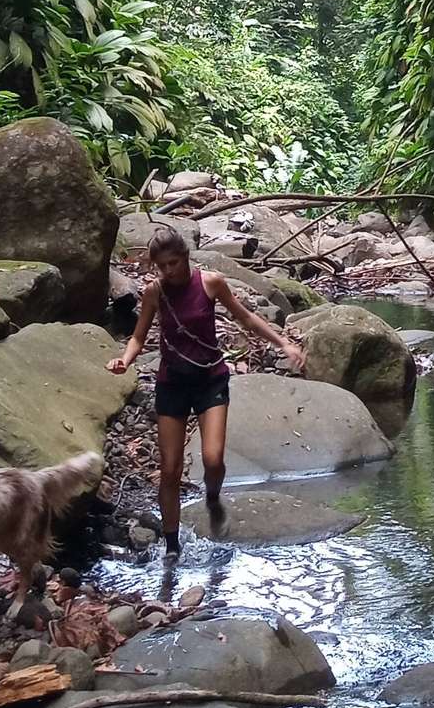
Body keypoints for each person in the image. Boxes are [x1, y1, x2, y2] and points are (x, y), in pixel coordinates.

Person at [108, 224, 303, 554]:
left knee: (212, 459)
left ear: (185, 256)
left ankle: (212, 496)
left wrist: (283, 343)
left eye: (173, 263)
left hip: (210, 380)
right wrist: (125, 360)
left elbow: (245, 317)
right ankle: (172, 546)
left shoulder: (210, 283)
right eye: (162, 266)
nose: (169, 271)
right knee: (170, 469)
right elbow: (139, 337)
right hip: (172, 384)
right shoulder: (155, 293)